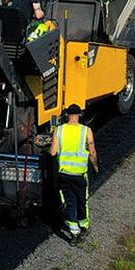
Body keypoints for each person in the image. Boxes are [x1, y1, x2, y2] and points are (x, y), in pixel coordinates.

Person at [50, 104, 98, 243]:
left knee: (70, 203)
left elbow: (53, 152)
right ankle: (84, 226)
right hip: (79, 175)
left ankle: (74, 234)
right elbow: (92, 153)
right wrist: (95, 167)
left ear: (67, 115)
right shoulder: (86, 131)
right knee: (82, 201)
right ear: (79, 115)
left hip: (64, 175)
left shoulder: (59, 130)